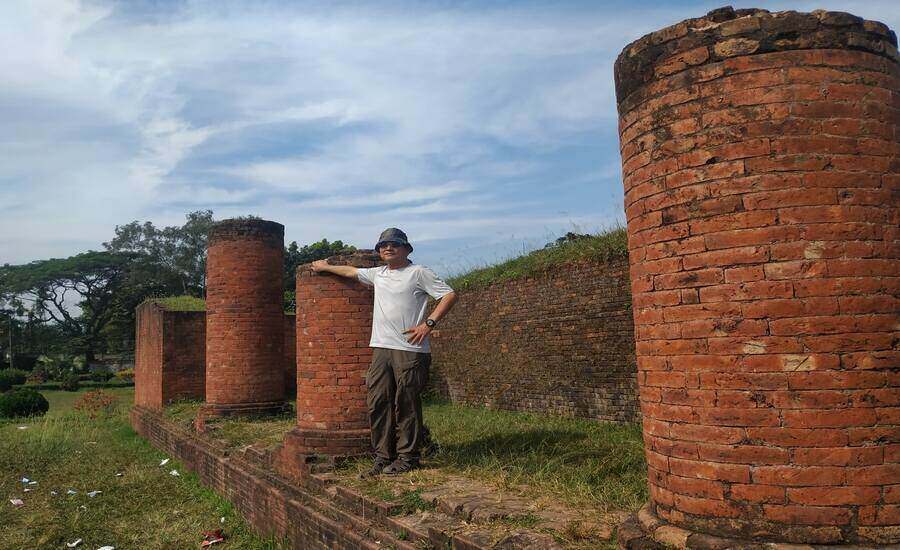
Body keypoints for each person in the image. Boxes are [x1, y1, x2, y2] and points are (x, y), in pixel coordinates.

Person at [310, 228, 458, 476]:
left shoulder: (418, 272)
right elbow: (351, 272)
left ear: (406, 249)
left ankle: (409, 457)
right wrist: (325, 266)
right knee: (378, 401)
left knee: (406, 403)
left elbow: (449, 294)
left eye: (395, 244)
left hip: (409, 349)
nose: (388, 248)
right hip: (381, 348)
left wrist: (428, 324)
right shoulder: (378, 274)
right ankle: (382, 457)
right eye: (384, 245)